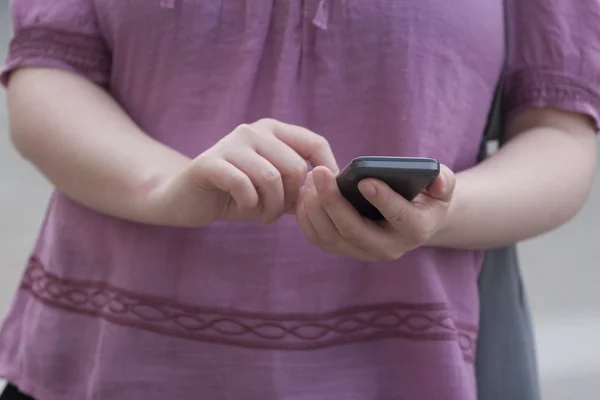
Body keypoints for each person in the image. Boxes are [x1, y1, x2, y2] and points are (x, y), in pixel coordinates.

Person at [0, 0, 598, 399]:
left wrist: (446, 207)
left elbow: (562, 133)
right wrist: (169, 185)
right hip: (102, 368)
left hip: (401, 376)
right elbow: (48, 73)